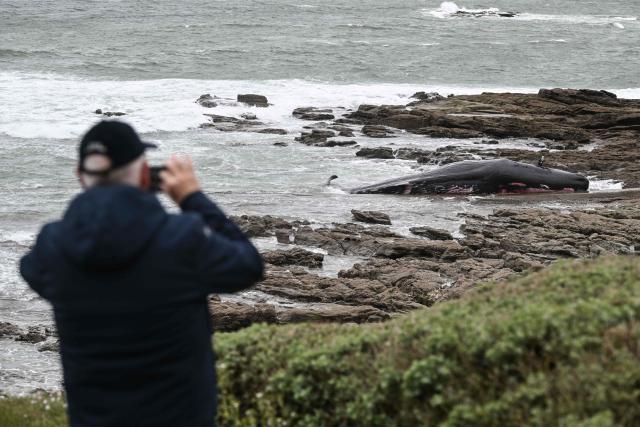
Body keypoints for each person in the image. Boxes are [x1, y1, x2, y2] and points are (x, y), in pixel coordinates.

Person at [20, 120, 264, 426]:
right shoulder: (182, 239)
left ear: (80, 177)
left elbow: (31, 269)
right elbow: (248, 265)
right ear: (146, 174)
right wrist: (192, 198)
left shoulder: (53, 247)